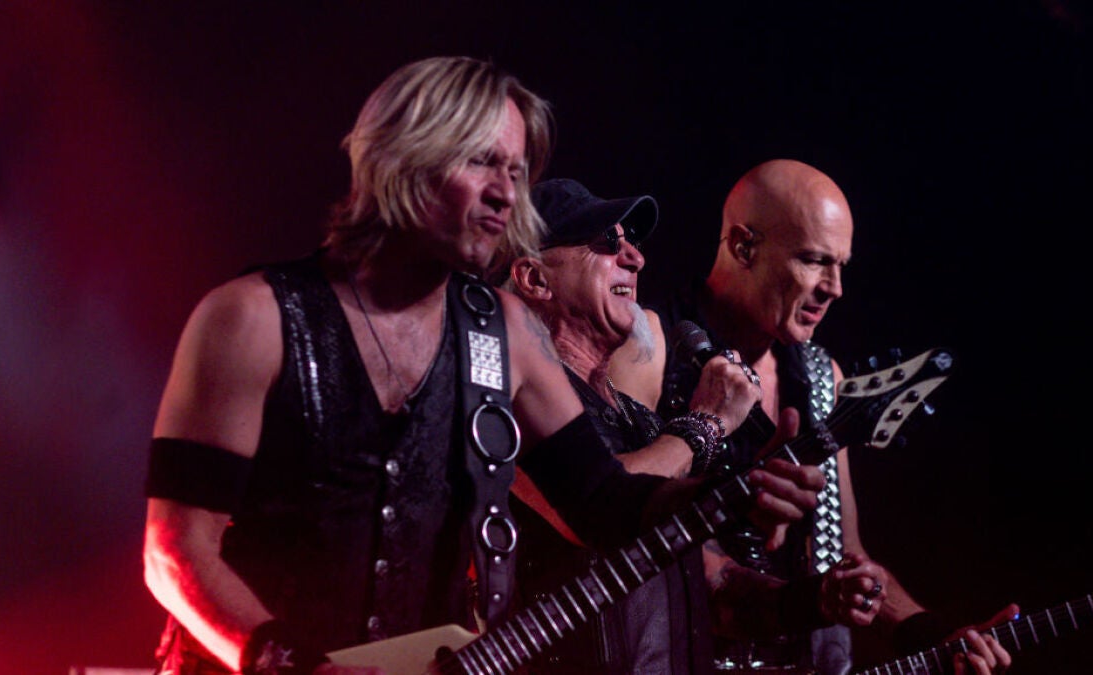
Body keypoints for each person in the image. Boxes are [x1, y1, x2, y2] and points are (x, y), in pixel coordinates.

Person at [140, 58, 822, 675]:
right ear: (401, 158)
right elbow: (175, 550)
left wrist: (734, 487)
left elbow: (606, 505)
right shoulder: (251, 317)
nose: (505, 194)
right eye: (480, 162)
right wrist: (288, 665)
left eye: (517, 173)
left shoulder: (504, 332)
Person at [609, 159, 1017, 675]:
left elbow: (843, 552)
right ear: (743, 247)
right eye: (814, 260)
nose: (835, 287)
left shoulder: (822, 378)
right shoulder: (649, 346)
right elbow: (614, 525)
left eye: (841, 265)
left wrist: (930, 635)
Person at [504, 178, 891, 674]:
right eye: (606, 243)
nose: (635, 258)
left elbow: (717, 590)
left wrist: (816, 600)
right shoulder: (509, 401)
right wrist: (708, 422)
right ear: (534, 279)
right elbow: (600, 505)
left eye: (631, 243)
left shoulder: (640, 420)